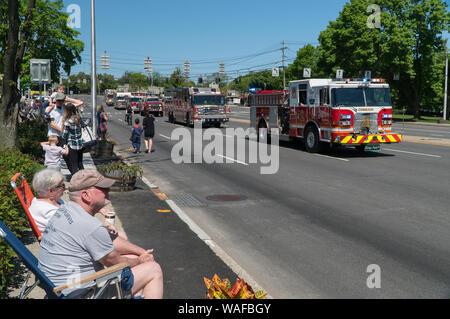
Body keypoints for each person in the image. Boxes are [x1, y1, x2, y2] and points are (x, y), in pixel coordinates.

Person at [38, 169, 163, 299]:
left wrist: (141, 252)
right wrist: (140, 260)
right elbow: (116, 264)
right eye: (103, 188)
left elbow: (110, 240)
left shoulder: (65, 209)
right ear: (86, 195)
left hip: (59, 288)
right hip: (80, 294)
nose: (108, 190)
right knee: (153, 269)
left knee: (133, 257)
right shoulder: (90, 226)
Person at [29, 169, 66, 233]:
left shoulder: (37, 200)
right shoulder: (49, 211)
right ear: (51, 191)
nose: (64, 188)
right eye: (62, 186)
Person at [62, 103, 84, 175]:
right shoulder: (78, 118)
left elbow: (64, 135)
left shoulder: (67, 122)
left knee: (74, 164)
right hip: (80, 144)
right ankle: (84, 178)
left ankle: (76, 180)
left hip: (72, 145)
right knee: (80, 163)